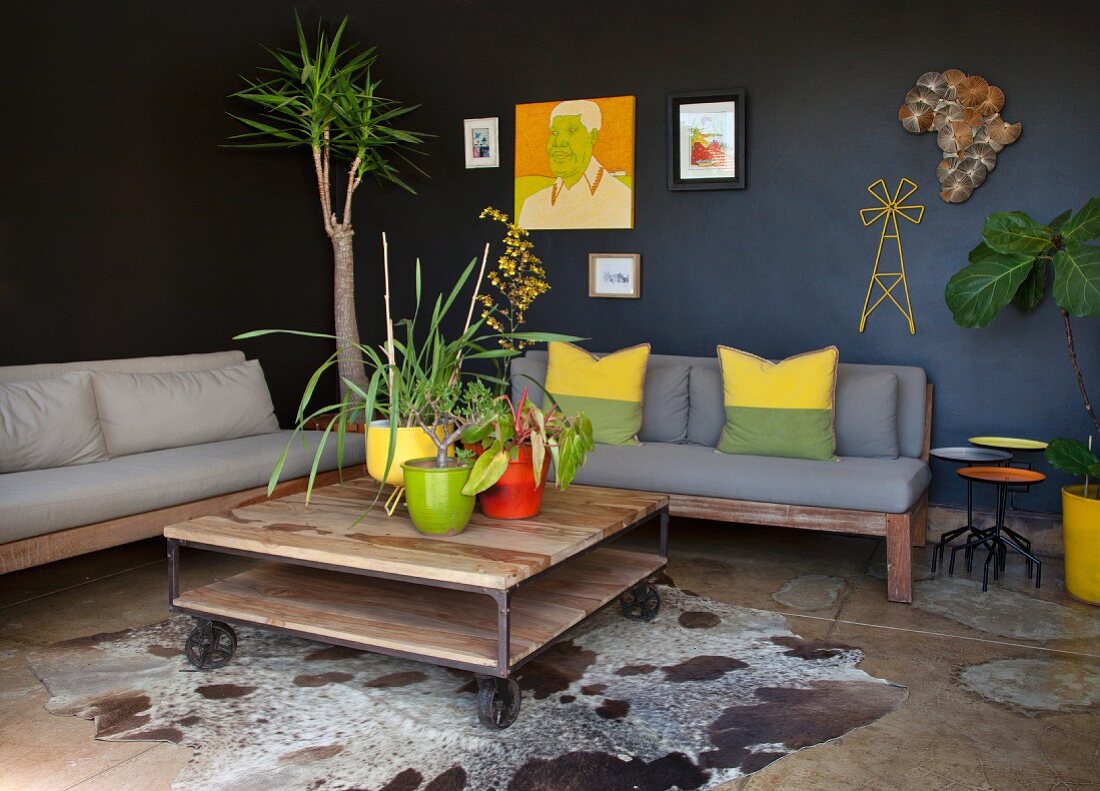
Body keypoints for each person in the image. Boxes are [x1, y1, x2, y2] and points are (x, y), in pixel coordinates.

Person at [517, 100, 632, 229]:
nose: (558, 142)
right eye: (554, 133)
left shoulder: (622, 199)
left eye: (571, 131)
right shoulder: (533, 205)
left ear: (592, 136)